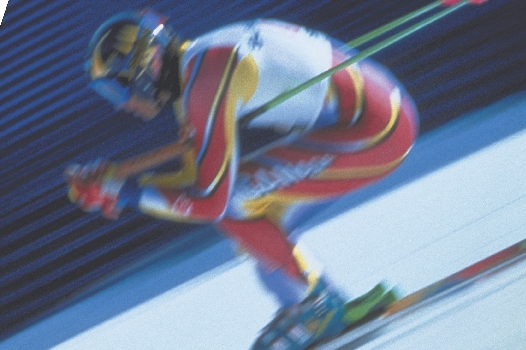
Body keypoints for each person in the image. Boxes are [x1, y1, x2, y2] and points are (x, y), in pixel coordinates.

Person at [67, 8, 418, 348]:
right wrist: (120, 187)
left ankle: (316, 308)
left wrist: (123, 190)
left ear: (144, 68)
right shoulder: (200, 66)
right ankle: (321, 305)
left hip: (376, 132)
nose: (119, 104)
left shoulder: (206, 82)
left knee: (237, 204)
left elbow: (210, 202)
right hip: (375, 119)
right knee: (257, 236)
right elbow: (195, 180)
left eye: (116, 90)